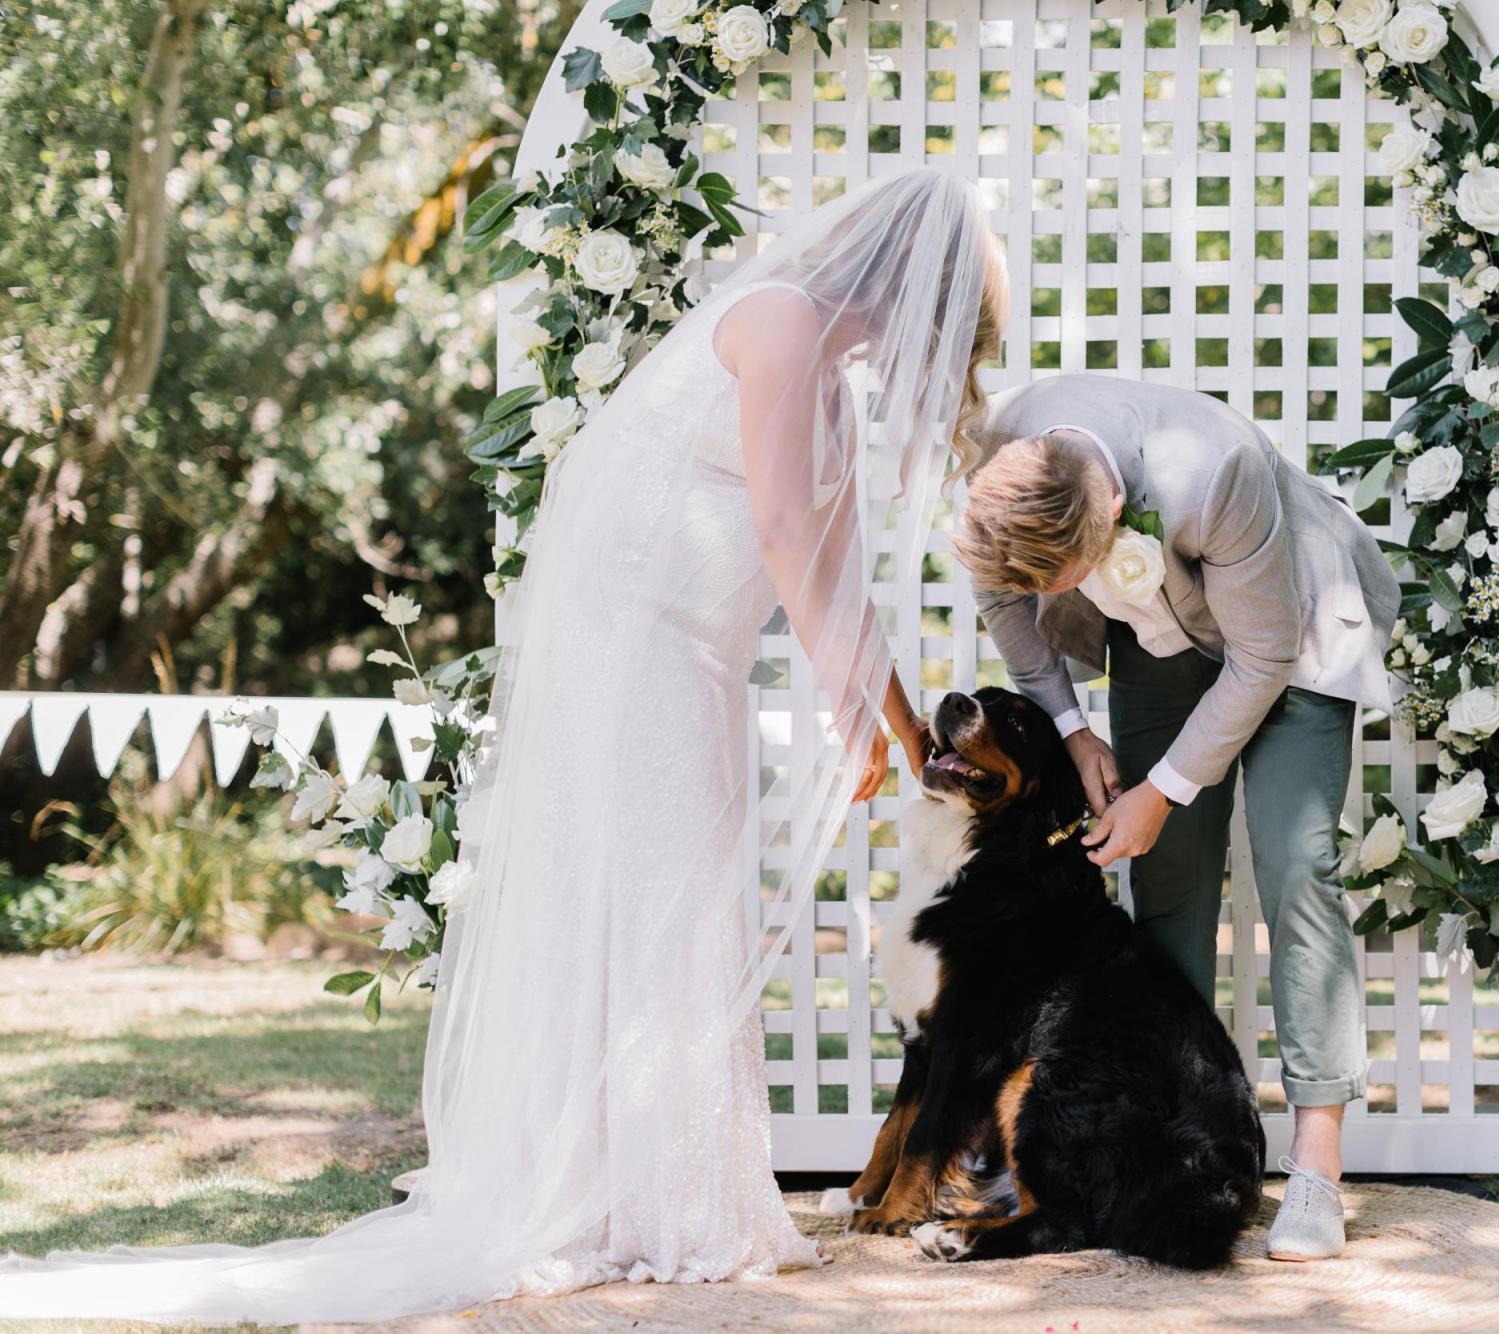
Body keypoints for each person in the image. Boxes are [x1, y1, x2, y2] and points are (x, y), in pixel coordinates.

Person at [0, 168, 1006, 1324]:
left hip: (698, 659)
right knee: (657, 896)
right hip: (636, 649)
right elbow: (780, 527)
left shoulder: (828, 370)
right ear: (900, 279)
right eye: (938, 317)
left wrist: (891, 719)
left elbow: (830, 567)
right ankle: (635, 1201)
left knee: (680, 896)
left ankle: (666, 1191)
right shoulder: (780, 320)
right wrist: (845, 693)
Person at [956, 374, 1398, 1262]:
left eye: (1069, 577)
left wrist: (1162, 790)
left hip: (1291, 629)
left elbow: (1263, 651)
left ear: (1111, 503)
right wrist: (1076, 733)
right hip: (1159, 643)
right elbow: (1004, 602)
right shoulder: (1003, 458)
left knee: (1295, 862)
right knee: (1167, 882)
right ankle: (1170, 1149)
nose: (1054, 594)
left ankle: (1315, 1172)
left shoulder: (1213, 470)